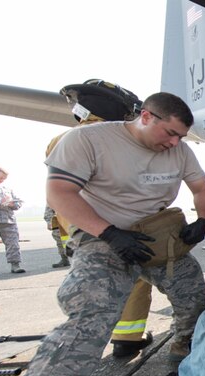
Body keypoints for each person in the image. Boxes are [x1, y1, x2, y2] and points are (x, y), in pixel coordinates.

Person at [0, 92, 205, 376]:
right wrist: (109, 233)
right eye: (170, 133)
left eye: (181, 137)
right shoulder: (88, 140)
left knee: (193, 293)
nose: (175, 143)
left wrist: (204, 218)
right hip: (103, 237)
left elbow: (199, 188)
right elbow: (59, 193)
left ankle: (182, 347)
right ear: (146, 116)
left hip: (156, 235)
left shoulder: (179, 150)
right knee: (90, 316)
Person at [49, 79, 155, 358]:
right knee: (133, 281)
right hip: (115, 227)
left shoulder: (60, 140)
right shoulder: (114, 140)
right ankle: (127, 339)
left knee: (90, 285)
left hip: (79, 231)